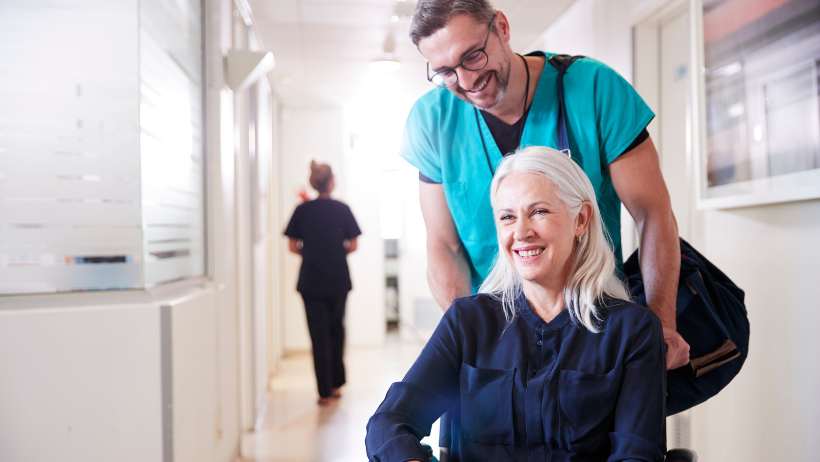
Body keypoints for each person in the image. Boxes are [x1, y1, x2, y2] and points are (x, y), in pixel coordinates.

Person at [402, 0, 689, 369]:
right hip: (493, 339)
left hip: (593, 327)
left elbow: (653, 213)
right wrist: (467, 337)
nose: (466, 81)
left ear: (502, 27)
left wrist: (660, 324)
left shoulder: (593, 89)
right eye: (446, 71)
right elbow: (443, 243)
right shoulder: (432, 120)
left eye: (472, 56)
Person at [366, 147, 667, 461]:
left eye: (539, 211)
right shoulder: (468, 321)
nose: (521, 232)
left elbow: (638, 455)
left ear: (580, 219)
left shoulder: (633, 330)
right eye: (507, 217)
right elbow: (389, 422)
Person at [284, 161, 361, 406]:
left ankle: (324, 392)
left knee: (318, 335)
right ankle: (337, 384)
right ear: (331, 182)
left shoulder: (302, 210)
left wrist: (312, 254)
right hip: (338, 279)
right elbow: (354, 244)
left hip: (311, 281)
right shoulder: (342, 209)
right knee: (337, 330)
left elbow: (292, 245)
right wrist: (335, 254)